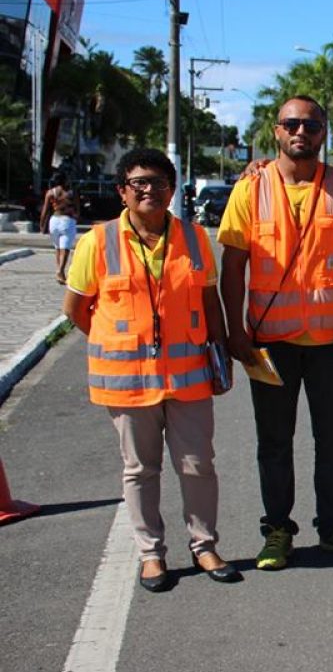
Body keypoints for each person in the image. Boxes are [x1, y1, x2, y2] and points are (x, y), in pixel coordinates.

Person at [62, 148, 240, 592]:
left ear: (172, 189)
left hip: (189, 378)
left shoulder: (196, 239)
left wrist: (221, 353)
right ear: (122, 191)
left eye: (159, 183)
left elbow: (208, 303)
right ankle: (151, 555)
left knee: (198, 465)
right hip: (128, 382)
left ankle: (204, 546)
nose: (149, 191)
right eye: (139, 183)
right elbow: (76, 309)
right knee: (140, 470)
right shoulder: (97, 242)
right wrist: (118, 345)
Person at [219, 95, 333, 571]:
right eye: (292, 123)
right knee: (274, 442)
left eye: (311, 124)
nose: (301, 131)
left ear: (324, 132)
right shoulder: (251, 189)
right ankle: (277, 530)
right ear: (277, 130)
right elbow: (232, 265)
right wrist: (234, 330)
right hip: (270, 343)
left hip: (331, 341)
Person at [40, 172, 78, 284]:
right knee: (65, 248)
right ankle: (60, 270)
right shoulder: (71, 193)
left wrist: (42, 224)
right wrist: (76, 217)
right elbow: (77, 207)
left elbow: (45, 210)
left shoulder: (50, 193)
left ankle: (59, 271)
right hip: (67, 220)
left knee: (58, 248)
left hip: (54, 221)